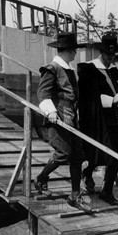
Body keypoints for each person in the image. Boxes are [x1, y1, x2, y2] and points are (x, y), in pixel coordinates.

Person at [35, 31, 92, 213]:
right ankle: (41, 178)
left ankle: (74, 196)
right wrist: (50, 111)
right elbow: (42, 93)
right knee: (64, 152)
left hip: (71, 115)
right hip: (57, 115)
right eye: (74, 50)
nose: (75, 53)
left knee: (77, 155)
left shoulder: (69, 69)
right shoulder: (52, 68)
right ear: (67, 50)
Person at [78, 32, 118, 207]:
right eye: (107, 55)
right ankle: (87, 173)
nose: (110, 58)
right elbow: (86, 98)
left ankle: (107, 190)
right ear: (101, 53)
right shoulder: (88, 69)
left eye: (112, 55)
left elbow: (115, 92)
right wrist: (111, 100)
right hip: (96, 119)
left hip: (113, 118)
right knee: (96, 153)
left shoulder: (113, 71)